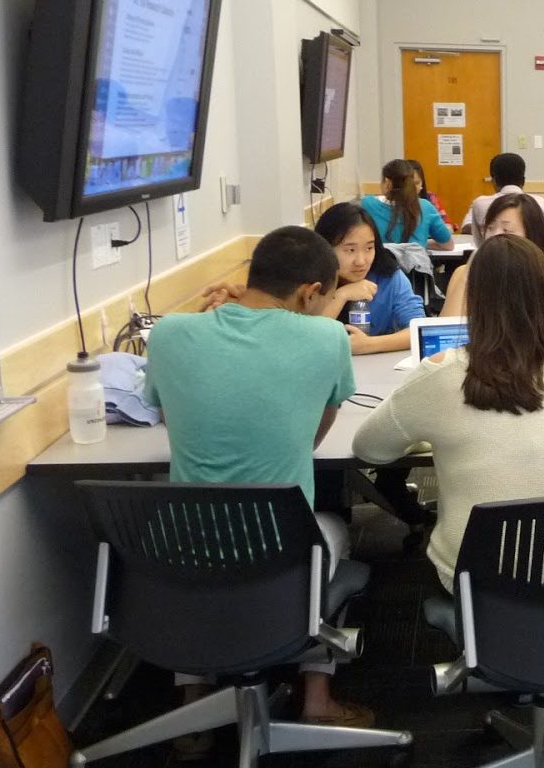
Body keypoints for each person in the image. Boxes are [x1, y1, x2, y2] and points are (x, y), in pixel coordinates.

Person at [145, 226, 374, 740]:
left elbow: (171, 415)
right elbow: (311, 440)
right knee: (335, 525)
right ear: (310, 292)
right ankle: (317, 697)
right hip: (279, 557)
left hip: (180, 561)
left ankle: (193, 709)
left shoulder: (167, 334)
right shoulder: (326, 337)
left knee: (195, 534)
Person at [353, 234, 544, 590]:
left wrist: (424, 437)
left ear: (476, 299)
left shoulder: (442, 373)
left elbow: (369, 448)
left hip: (479, 579)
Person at [440, 193, 544, 347]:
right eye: (490, 228)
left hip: (532, 365)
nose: (494, 237)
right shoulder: (464, 273)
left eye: (507, 231)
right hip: (478, 365)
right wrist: (470, 271)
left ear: (531, 236)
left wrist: (530, 347)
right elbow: (443, 334)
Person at [312, 202, 426, 355]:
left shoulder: (388, 277)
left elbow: (419, 329)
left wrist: (368, 345)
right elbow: (308, 338)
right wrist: (341, 296)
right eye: (350, 250)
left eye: (369, 248)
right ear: (325, 248)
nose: (361, 261)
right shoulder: (311, 282)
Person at [463, 152, 544, 248]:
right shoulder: (543, 204)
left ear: (494, 181)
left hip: (492, 262)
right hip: (533, 263)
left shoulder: (480, 204)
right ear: (523, 181)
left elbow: (480, 244)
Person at [361, 159, 454, 249]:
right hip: (416, 264)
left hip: (380, 264)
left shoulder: (367, 204)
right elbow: (448, 245)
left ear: (387, 182)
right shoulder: (425, 207)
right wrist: (420, 243)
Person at [406, 158, 452, 231]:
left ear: (422, 182)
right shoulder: (393, 202)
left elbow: (448, 226)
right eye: (409, 184)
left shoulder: (431, 198)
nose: (413, 188)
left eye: (417, 183)